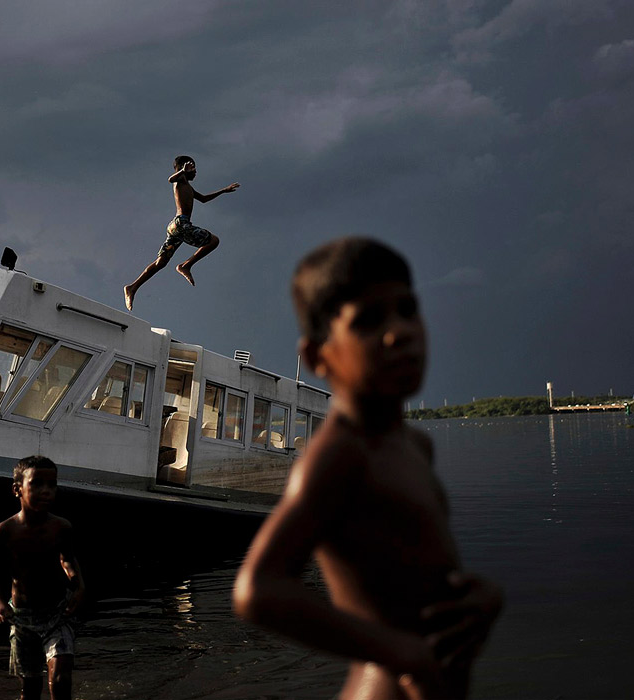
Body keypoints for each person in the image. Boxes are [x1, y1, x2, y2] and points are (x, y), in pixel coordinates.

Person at [232, 238, 502, 700]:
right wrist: (401, 652)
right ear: (319, 357)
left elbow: (411, 568)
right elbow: (259, 589)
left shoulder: (413, 445)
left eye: (407, 309)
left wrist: (481, 598)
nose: (400, 332)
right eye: (368, 321)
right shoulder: (341, 455)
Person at [0, 455, 85, 700]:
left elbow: (68, 559)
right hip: (22, 617)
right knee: (30, 688)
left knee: (61, 677)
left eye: (52, 485)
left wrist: (78, 585)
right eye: (37, 484)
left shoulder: (61, 527)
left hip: (57, 613)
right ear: (17, 489)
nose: (46, 491)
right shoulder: (6, 531)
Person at [123, 155, 239, 310]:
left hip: (174, 227)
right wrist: (183, 171)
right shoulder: (180, 180)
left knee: (160, 263)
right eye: (193, 168)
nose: (195, 172)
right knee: (214, 241)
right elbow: (170, 179)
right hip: (181, 224)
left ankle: (132, 287)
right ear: (184, 168)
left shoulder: (188, 187)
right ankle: (185, 266)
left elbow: (203, 199)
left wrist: (223, 191)